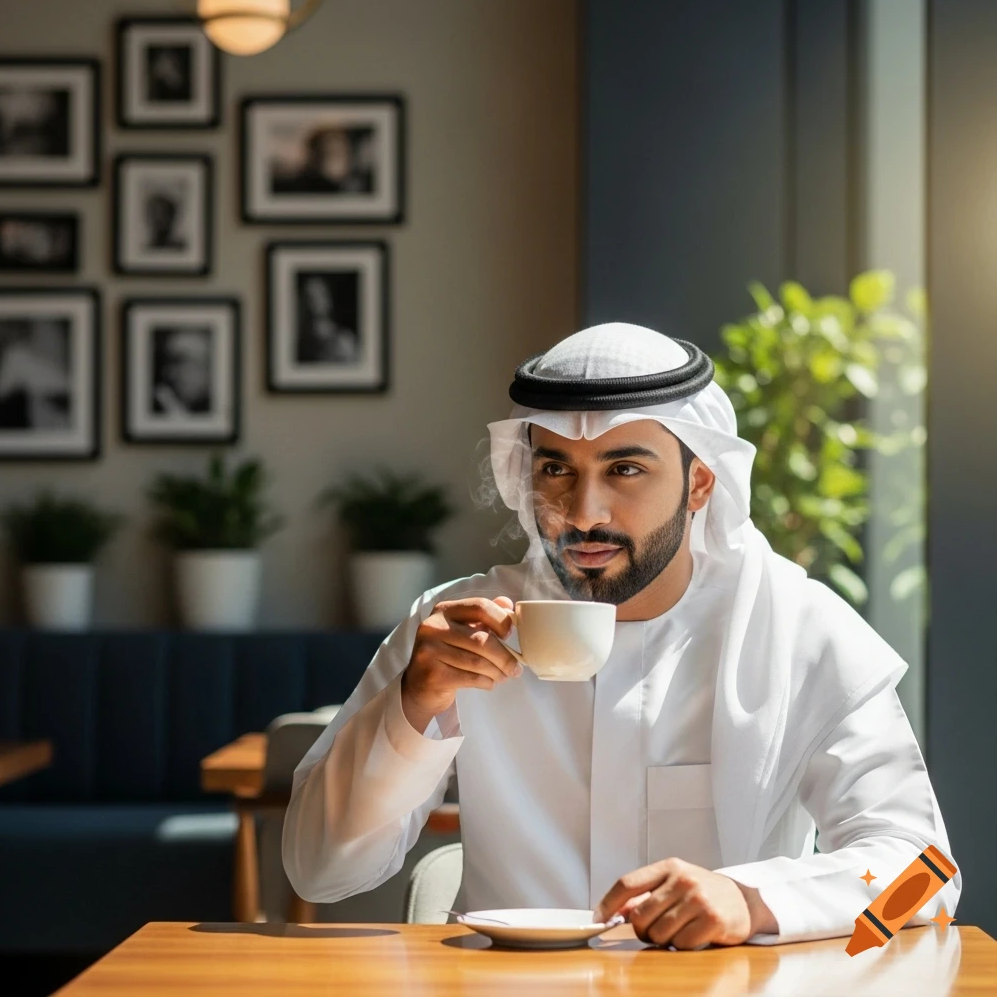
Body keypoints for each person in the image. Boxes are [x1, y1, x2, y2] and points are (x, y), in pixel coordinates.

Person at [283, 322, 959, 948]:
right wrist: (411, 705)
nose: (583, 513)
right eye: (556, 469)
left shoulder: (797, 628)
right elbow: (318, 874)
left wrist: (753, 901)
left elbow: (927, 876)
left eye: (625, 470)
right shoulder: (453, 625)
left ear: (699, 484)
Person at [296, 275, 358, 363]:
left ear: (329, 299)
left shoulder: (345, 339)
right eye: (309, 296)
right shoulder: (298, 342)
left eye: (320, 295)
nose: (314, 301)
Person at [152, 329, 211, 415]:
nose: (168, 373)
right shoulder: (160, 400)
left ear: (203, 368)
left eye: (179, 364)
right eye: (167, 363)